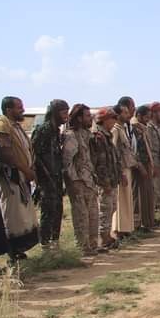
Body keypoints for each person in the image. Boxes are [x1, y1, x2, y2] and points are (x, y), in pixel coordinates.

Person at [0, 97, 40, 261]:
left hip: (22, 176)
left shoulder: (17, 127)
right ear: (8, 110)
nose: (22, 110)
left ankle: (20, 248)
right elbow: (6, 154)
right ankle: (12, 249)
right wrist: (25, 170)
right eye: (19, 107)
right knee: (13, 213)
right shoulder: (2, 125)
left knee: (23, 213)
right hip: (11, 177)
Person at [30, 99, 69, 249]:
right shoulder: (43, 130)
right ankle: (45, 244)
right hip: (47, 180)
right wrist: (44, 176)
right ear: (55, 112)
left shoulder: (56, 131)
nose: (66, 115)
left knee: (57, 209)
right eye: (63, 112)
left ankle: (54, 241)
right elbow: (35, 155)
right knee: (48, 211)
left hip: (56, 178)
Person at [62, 104, 99, 254]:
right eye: (87, 116)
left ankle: (92, 245)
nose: (90, 118)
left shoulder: (87, 135)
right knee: (81, 216)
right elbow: (67, 161)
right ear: (79, 118)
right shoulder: (71, 136)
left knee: (92, 214)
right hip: (78, 182)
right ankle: (83, 247)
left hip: (89, 181)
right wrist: (73, 181)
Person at [91, 107, 121, 249]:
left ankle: (107, 236)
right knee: (105, 209)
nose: (114, 121)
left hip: (111, 179)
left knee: (112, 208)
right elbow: (100, 163)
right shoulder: (98, 136)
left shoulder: (107, 135)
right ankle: (103, 238)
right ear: (104, 120)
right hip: (104, 181)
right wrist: (105, 182)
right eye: (112, 118)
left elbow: (112, 158)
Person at [111, 101, 138, 240]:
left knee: (126, 199)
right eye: (125, 113)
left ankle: (125, 229)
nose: (128, 115)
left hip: (127, 167)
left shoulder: (122, 128)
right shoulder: (115, 129)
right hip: (121, 169)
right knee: (120, 200)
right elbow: (114, 151)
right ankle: (117, 231)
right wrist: (120, 171)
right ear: (118, 115)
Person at [131, 104, 157, 232]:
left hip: (146, 164)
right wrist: (140, 166)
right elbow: (134, 150)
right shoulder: (134, 128)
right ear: (139, 116)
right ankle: (138, 224)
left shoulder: (142, 128)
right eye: (146, 117)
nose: (148, 120)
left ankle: (147, 222)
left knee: (147, 194)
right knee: (139, 196)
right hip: (138, 167)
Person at [147, 102, 160, 219]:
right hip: (154, 162)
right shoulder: (149, 128)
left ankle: (158, 215)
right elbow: (149, 147)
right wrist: (152, 165)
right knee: (155, 189)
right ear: (154, 113)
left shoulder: (159, 128)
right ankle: (154, 216)